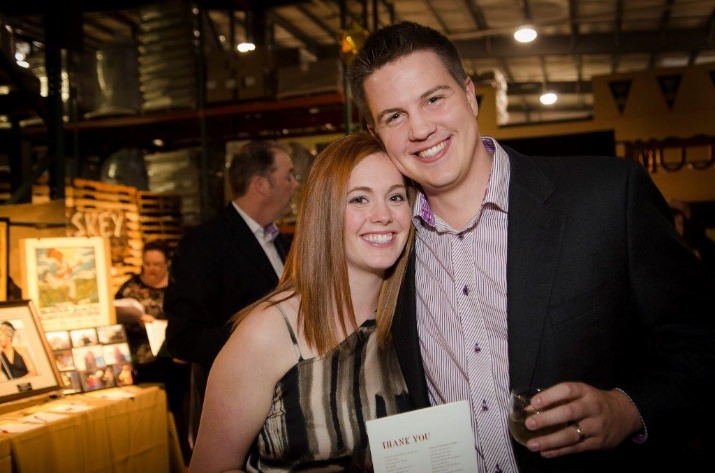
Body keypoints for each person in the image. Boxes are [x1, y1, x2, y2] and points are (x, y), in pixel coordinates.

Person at [348, 21, 715, 472]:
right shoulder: (385, 249)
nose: (421, 128)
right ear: (375, 133)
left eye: (433, 98)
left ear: (468, 93)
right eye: (395, 116)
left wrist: (626, 410)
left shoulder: (606, 197)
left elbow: (702, 340)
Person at [189, 132, 415, 472]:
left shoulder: (414, 316)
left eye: (395, 197)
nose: (383, 215)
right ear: (325, 213)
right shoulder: (267, 333)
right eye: (358, 199)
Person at [164, 140, 299, 453]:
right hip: (235, 410)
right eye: (289, 176)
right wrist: (263, 343)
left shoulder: (282, 242)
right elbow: (183, 337)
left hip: (286, 410)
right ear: (261, 184)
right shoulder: (205, 243)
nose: (295, 185)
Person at [114, 239, 191, 462]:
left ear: (167, 263)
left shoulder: (178, 286)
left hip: (172, 358)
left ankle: (177, 455)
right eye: (147, 263)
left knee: (175, 409)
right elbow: (116, 319)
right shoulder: (130, 288)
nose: (152, 269)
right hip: (142, 360)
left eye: (157, 264)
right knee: (146, 412)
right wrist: (136, 321)